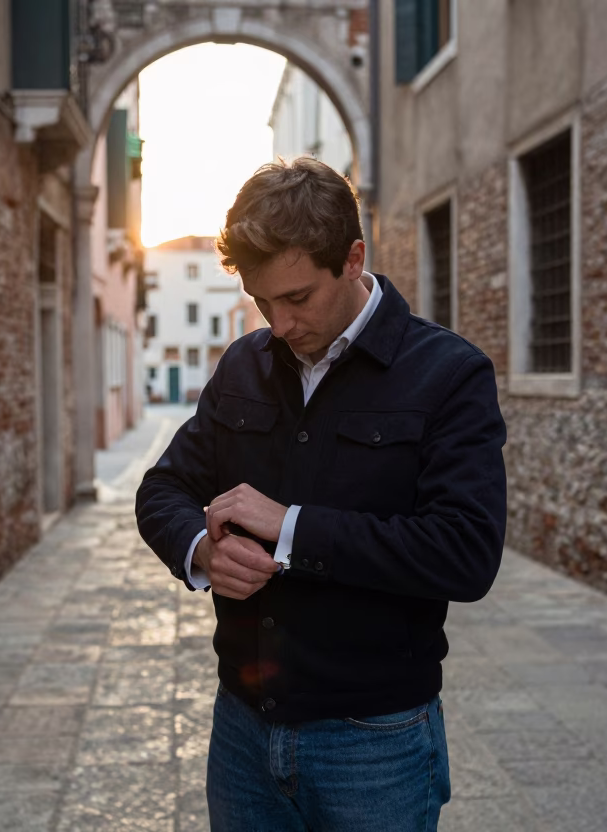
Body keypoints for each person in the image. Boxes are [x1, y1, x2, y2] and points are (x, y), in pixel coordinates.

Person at [135, 157, 507, 831]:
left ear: (353, 257)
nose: (277, 324)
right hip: (241, 731)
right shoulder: (242, 365)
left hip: (377, 743)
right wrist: (200, 553)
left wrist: (291, 527)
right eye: (261, 301)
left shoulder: (450, 375)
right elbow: (164, 488)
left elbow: (467, 554)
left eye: (297, 298)